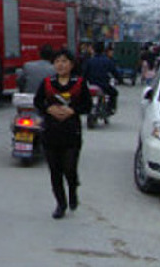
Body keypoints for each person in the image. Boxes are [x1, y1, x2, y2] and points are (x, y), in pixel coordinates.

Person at [34, 49, 92, 219]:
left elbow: (87, 105)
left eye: (64, 61)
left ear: (71, 65)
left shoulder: (79, 83)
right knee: (55, 171)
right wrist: (48, 109)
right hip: (51, 132)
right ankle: (61, 204)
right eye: (57, 61)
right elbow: (38, 101)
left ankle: (73, 190)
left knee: (69, 168)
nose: (61, 65)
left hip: (71, 133)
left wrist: (72, 110)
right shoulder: (47, 83)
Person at [82, 42, 120, 113]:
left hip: (91, 84)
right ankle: (110, 109)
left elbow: (84, 74)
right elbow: (115, 72)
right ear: (103, 50)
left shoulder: (89, 61)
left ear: (94, 49)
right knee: (114, 93)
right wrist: (119, 79)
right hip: (104, 85)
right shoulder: (107, 61)